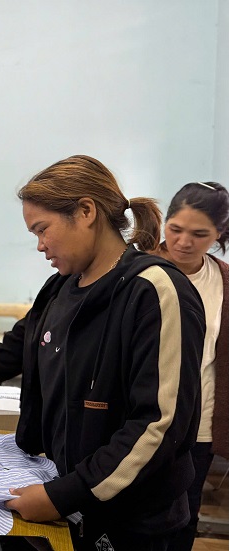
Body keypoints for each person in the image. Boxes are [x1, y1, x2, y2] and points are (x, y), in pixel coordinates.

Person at [0, 155, 205, 551]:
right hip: (75, 499)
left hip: (135, 520)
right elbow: (6, 355)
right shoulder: (60, 289)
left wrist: (62, 495)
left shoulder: (153, 291)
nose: (40, 245)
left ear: (85, 211)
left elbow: (158, 425)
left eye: (42, 229)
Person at [155, 181, 228, 551]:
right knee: (139, 518)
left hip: (199, 425)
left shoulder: (223, 280)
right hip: (143, 420)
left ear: (219, 233)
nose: (183, 242)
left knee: (186, 516)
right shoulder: (141, 271)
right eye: (175, 229)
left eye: (200, 234)